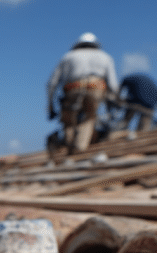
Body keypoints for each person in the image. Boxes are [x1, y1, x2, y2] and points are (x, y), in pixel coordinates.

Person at [46, 32, 119, 163]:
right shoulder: (105, 57)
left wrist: (50, 104)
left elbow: (52, 83)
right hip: (95, 89)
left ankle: (70, 149)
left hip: (71, 90)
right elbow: (113, 84)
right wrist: (114, 100)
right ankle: (79, 149)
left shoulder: (68, 57)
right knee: (89, 117)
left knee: (68, 121)